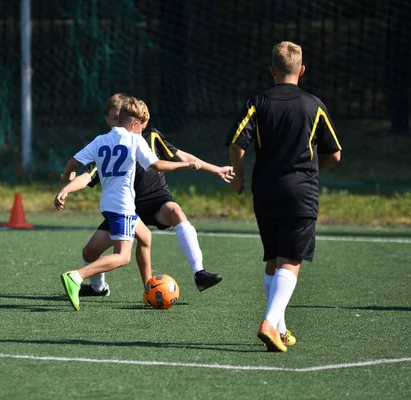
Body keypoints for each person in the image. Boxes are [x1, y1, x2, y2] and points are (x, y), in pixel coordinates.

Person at [225, 41, 342, 351]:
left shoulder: (257, 102)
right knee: (290, 262)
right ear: (301, 70)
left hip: (265, 191)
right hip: (300, 192)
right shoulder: (313, 104)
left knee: (273, 260)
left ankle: (280, 328)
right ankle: (268, 322)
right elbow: (335, 154)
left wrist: (238, 178)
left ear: (271, 70)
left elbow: (237, 145)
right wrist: (310, 169)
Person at [65, 93, 234, 298]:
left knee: (172, 213)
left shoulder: (149, 136)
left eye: (122, 117)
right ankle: (95, 286)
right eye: (114, 118)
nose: (119, 123)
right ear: (108, 119)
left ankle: (197, 273)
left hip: (154, 200)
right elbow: (88, 175)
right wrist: (67, 188)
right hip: (126, 205)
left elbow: (180, 155)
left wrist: (214, 169)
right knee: (91, 253)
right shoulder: (109, 145)